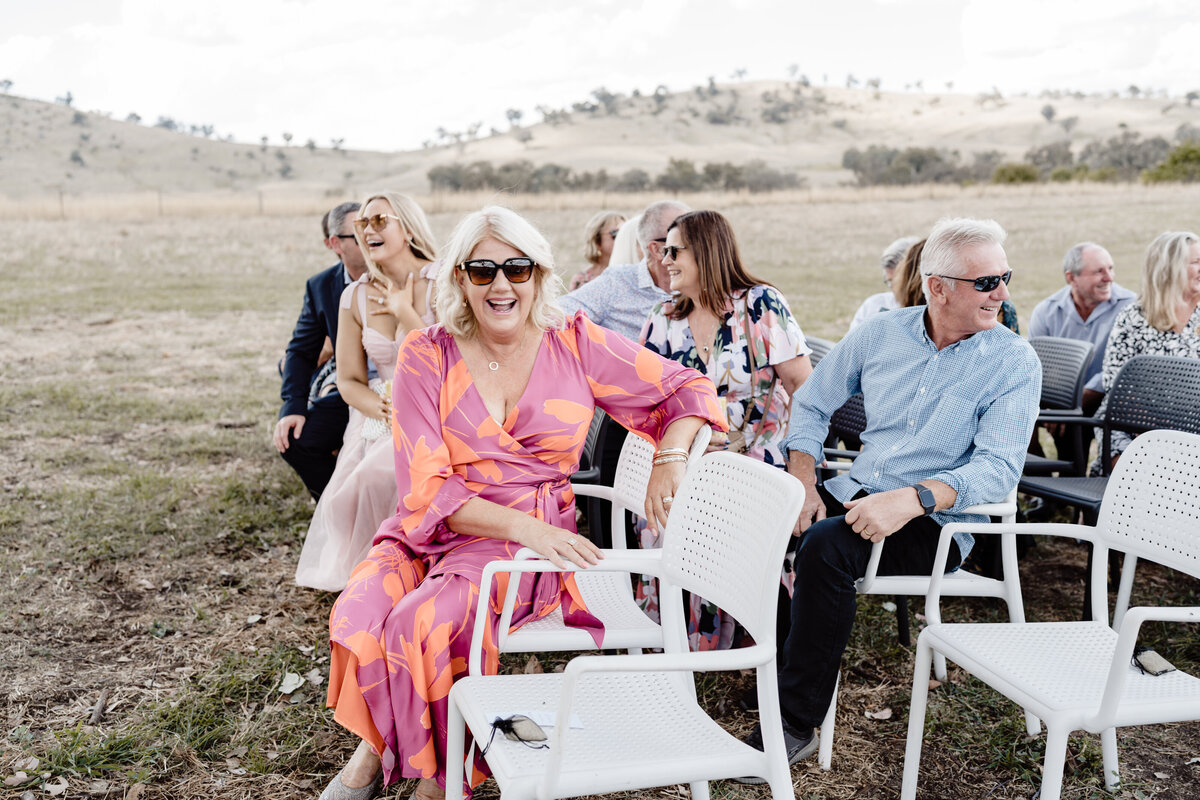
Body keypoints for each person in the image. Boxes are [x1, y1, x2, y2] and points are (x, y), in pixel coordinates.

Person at [319, 206, 724, 800]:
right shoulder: (425, 355)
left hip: (526, 540)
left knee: (420, 621)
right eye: (482, 270)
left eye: (517, 268)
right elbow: (424, 488)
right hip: (435, 525)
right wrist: (528, 530)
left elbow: (687, 387)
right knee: (360, 608)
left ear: (539, 275)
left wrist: (670, 458)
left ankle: (429, 779)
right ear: (459, 278)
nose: (502, 285)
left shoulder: (576, 342)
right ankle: (392, 754)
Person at [733, 217, 1040, 781]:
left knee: (824, 545)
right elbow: (814, 401)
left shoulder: (1013, 361)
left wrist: (912, 500)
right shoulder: (883, 332)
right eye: (987, 281)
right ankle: (769, 671)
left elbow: (999, 471)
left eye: (1005, 277)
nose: (1002, 293)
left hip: (938, 523)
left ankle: (793, 725)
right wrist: (803, 480)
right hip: (856, 487)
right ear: (938, 286)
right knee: (755, 520)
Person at [639, 209, 813, 649]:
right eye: (663, 250)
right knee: (663, 516)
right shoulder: (664, 317)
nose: (665, 259)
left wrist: (803, 478)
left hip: (762, 459)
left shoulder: (759, 305)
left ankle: (759, 643)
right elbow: (644, 400)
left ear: (706, 252)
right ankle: (685, 642)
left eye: (674, 250)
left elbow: (806, 393)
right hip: (692, 464)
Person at [295, 192, 440, 591]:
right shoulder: (354, 296)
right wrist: (382, 409)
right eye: (362, 225)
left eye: (380, 220)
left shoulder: (444, 282)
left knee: (381, 479)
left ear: (407, 227)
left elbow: (440, 360)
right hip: (376, 411)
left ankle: (411, 572)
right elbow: (348, 380)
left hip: (437, 403)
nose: (368, 229)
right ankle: (373, 577)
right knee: (344, 500)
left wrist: (403, 311)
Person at [273, 201, 365, 500]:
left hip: (403, 385)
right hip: (349, 387)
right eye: (359, 233)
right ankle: (339, 509)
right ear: (335, 243)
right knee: (297, 440)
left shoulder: (401, 277)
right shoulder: (321, 286)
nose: (371, 238)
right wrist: (293, 407)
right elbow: (300, 351)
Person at [1091, 231, 1200, 472]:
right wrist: (1151, 427)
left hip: (1193, 428)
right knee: (1141, 474)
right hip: (1132, 426)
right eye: (1196, 262)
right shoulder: (1134, 317)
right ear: (1170, 268)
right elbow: (1114, 382)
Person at [1029, 242, 1136, 416]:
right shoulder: (1046, 312)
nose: (1109, 277)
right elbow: (1037, 368)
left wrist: (1085, 396)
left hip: (1113, 397)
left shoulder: (1131, 307)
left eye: (1110, 268)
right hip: (1061, 400)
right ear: (1072, 278)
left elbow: (1129, 366)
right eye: (1099, 271)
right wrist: (1058, 405)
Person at [559, 200, 689, 339]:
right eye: (686, 240)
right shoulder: (617, 283)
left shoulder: (703, 282)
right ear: (657, 250)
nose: (699, 247)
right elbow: (557, 315)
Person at [847, 235, 919, 331]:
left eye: (899, 282)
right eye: (889, 281)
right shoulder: (873, 305)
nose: (894, 288)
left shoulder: (930, 314)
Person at [568, 210, 625, 290]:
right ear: (597, 241)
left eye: (625, 233)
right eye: (615, 234)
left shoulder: (635, 275)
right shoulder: (581, 280)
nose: (622, 239)